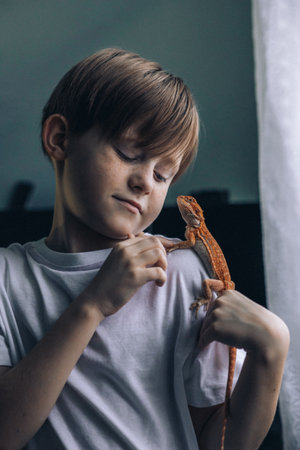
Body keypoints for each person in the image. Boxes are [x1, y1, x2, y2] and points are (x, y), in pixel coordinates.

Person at [0, 48, 289, 450]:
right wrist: (92, 305)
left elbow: (219, 443)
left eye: (162, 173)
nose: (145, 183)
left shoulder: (180, 271)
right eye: (128, 154)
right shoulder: (5, 277)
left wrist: (271, 354)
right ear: (60, 139)